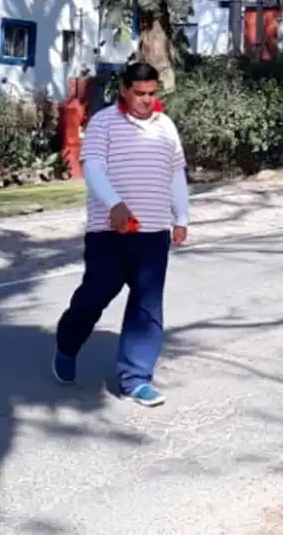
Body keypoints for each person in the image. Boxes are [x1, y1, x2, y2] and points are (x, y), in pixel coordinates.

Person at [52, 62, 190, 407]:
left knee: (147, 306)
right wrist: (114, 204)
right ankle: (67, 344)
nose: (146, 100)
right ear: (124, 91)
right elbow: (93, 166)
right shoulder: (104, 123)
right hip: (108, 233)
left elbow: (176, 174)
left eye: (151, 94)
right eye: (139, 93)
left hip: (153, 233)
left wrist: (182, 216)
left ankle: (136, 378)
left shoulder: (166, 127)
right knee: (94, 298)